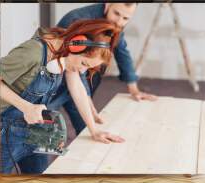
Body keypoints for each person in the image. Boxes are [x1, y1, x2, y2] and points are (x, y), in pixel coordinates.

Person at [0, 19, 125, 174]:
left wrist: (94, 130)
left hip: (35, 131)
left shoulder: (65, 55)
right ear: (76, 45)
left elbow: (77, 89)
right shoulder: (34, 52)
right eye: (84, 64)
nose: (81, 71)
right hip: (5, 131)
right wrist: (27, 107)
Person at [54, 3, 158, 135]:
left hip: (80, 75)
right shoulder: (78, 20)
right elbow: (76, 63)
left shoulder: (116, 24)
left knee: (87, 126)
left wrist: (134, 89)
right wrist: (86, 95)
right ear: (108, 4)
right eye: (117, 14)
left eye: (126, 18)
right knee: (41, 123)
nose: (119, 22)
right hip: (57, 77)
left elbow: (122, 50)